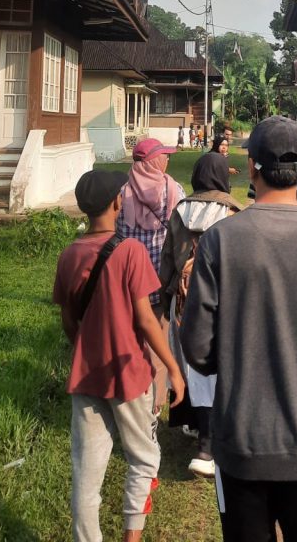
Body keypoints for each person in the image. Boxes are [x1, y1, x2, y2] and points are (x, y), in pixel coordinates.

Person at [181, 116, 297, 542]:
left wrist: (233, 353)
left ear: (251, 168)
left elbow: (196, 347)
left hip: (241, 445)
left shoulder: (219, 242)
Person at [53, 169, 185, 542]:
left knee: (86, 474)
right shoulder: (130, 251)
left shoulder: (68, 255)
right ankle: (132, 537)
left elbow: (68, 322)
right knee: (143, 458)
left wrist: (86, 345)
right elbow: (145, 318)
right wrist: (172, 368)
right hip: (127, 372)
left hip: (86, 374)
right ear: (117, 203)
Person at [159, 152, 244, 478]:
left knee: (189, 365)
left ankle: (195, 424)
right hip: (222, 303)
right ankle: (210, 443)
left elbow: (168, 258)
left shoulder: (180, 211)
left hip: (184, 302)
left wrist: (165, 297)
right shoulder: (233, 213)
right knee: (217, 370)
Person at [117, 138, 186, 402]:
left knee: (133, 339)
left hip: (131, 282)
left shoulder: (122, 193)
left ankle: (132, 391)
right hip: (161, 279)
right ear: (154, 161)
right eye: (164, 156)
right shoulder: (172, 190)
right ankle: (154, 404)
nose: (168, 160)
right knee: (159, 339)